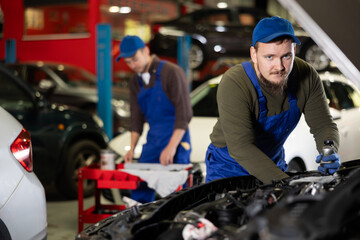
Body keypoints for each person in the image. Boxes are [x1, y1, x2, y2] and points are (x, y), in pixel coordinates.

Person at [205, 16, 341, 184]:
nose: (279, 67)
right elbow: (241, 147)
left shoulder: (307, 75)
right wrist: (286, 184)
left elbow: (323, 125)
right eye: (269, 57)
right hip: (228, 169)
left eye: (286, 56)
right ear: (254, 55)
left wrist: (329, 149)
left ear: (294, 50)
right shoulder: (235, 82)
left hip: (272, 163)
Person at [116, 35, 192, 203]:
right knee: (140, 187)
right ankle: (139, 223)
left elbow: (184, 115)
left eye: (134, 59)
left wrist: (171, 148)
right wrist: (131, 148)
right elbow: (136, 117)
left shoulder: (172, 72)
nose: (132, 65)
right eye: (128, 62)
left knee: (177, 194)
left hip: (177, 141)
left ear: (146, 51)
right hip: (153, 140)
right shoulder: (135, 81)